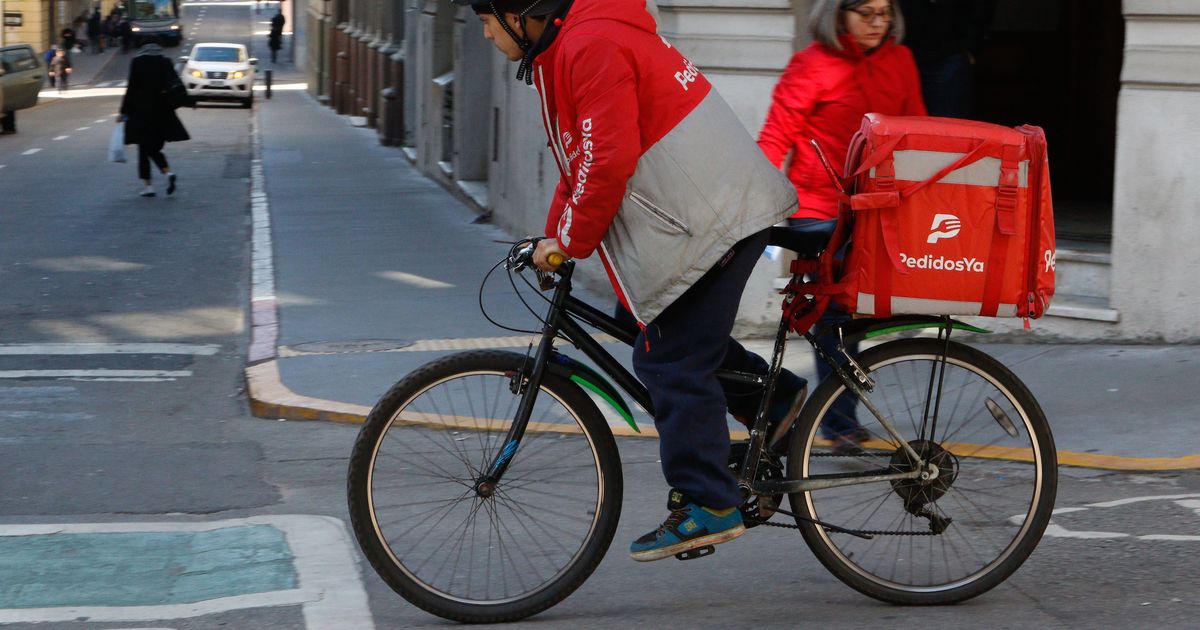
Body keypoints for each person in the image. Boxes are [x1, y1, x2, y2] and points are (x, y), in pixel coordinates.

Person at [457, 0, 806, 562]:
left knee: (667, 358)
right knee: (635, 317)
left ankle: (709, 503)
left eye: (485, 21)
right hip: (709, 212)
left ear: (520, 14)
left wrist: (568, 244)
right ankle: (776, 398)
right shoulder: (570, 47)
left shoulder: (588, 46)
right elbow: (581, 163)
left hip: (713, 216)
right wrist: (554, 239)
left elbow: (608, 159)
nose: (486, 35)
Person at [757, 0, 926, 452]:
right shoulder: (810, 65)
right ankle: (835, 421)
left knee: (855, 313)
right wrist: (751, 202)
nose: (877, 23)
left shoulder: (900, 60)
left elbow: (919, 131)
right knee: (834, 313)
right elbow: (776, 135)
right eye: (865, 12)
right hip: (820, 209)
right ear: (837, 13)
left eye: (885, 12)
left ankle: (831, 414)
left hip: (879, 206)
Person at [898, 0, 995, 118]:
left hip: (951, 53)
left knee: (948, 126)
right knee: (905, 123)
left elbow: (983, 8)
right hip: (906, 50)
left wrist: (970, 48)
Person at [119, 38, 189, 197]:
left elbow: (132, 89)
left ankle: (150, 186)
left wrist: (123, 111)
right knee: (154, 147)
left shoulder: (137, 62)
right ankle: (167, 173)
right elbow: (173, 84)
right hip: (162, 112)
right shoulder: (165, 62)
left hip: (141, 112)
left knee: (144, 149)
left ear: (143, 46)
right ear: (158, 46)